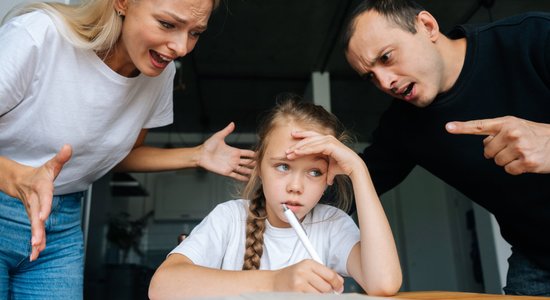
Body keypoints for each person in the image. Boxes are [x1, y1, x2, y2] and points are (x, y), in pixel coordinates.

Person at [0, 0, 255, 298]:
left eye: (195, 32)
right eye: (167, 24)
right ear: (122, 3)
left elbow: (119, 154)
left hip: (61, 224)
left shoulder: (159, 76)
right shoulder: (41, 35)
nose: (182, 47)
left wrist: (197, 155)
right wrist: (16, 177)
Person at [343, 0, 550, 296]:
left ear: (427, 26)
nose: (386, 82)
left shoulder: (532, 37)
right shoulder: (402, 126)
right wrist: (283, 169)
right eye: (371, 77)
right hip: (538, 257)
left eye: (386, 57)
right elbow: (352, 186)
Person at [148, 95, 402, 299]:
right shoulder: (230, 218)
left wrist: (358, 171)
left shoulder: (331, 224)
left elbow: (384, 283)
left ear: (329, 177)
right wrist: (276, 281)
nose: (295, 186)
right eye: (283, 166)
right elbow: (162, 287)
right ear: (259, 167)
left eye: (314, 172)